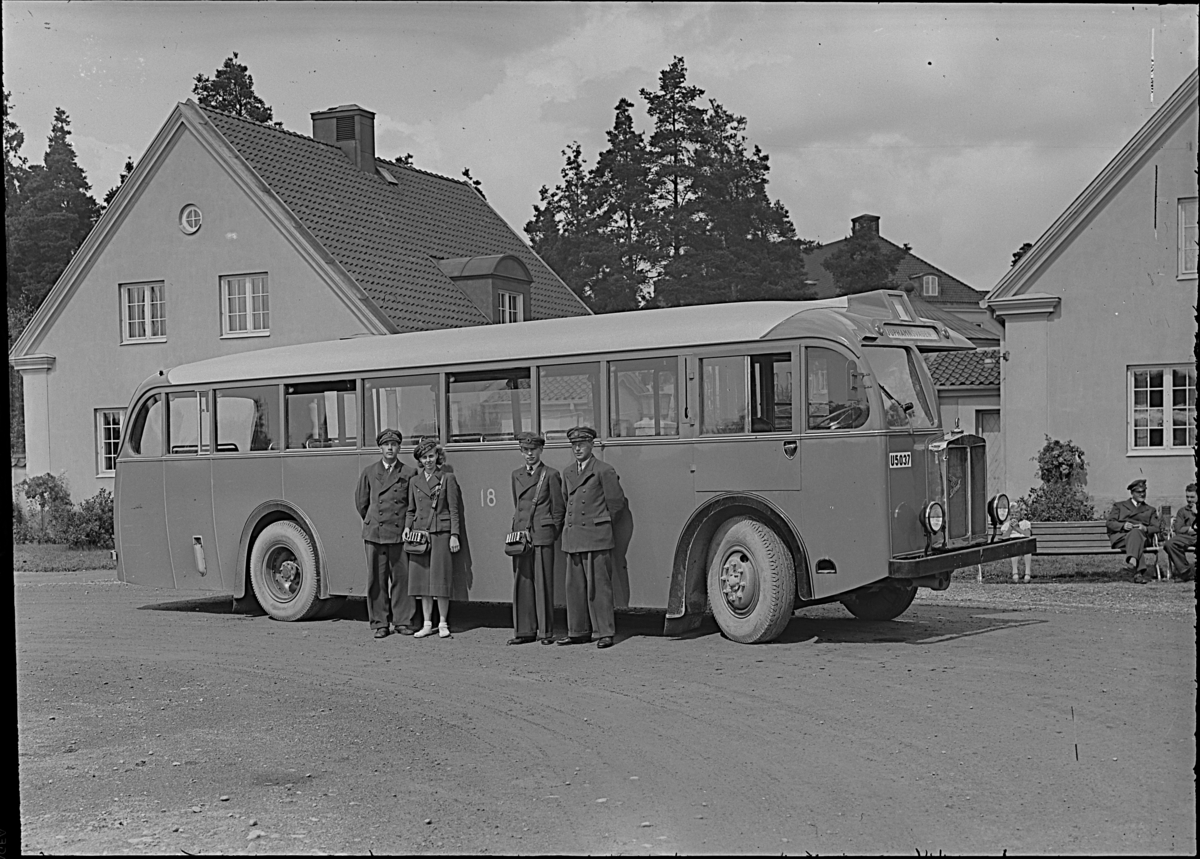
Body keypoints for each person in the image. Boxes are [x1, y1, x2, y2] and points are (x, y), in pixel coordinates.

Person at [558, 426, 626, 650]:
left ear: (591, 445)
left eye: (582, 444)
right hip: (573, 537)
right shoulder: (568, 472)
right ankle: (578, 632)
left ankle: (605, 632)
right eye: (574, 445)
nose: (577, 449)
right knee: (574, 588)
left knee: (599, 588)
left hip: (596, 537)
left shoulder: (604, 470)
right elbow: (566, 501)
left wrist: (601, 525)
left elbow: (616, 504)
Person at [354, 428, 419, 639]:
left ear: (399, 448)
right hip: (375, 533)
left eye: (394, 445)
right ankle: (380, 623)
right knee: (377, 580)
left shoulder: (409, 473)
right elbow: (361, 502)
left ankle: (403, 621)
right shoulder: (369, 472)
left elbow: (412, 505)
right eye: (386, 445)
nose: (390, 448)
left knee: (402, 579)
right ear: (380, 448)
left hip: (399, 533)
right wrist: (373, 520)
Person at [507, 432, 565, 645]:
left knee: (543, 585)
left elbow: (558, 510)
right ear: (521, 451)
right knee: (522, 583)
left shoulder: (550, 474)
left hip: (542, 535)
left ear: (541, 450)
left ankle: (545, 632)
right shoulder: (516, 475)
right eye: (525, 450)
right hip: (521, 537)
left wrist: (550, 532)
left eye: (533, 450)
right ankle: (524, 631)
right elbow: (518, 505)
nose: (529, 454)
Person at [405, 438, 462, 638]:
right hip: (421, 536)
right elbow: (411, 510)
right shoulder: (414, 481)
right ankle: (427, 623)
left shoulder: (447, 478)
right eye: (424, 457)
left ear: (437, 456)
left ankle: (443, 623)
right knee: (423, 583)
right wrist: (407, 528)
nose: (428, 460)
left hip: (441, 534)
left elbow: (454, 510)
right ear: (420, 460)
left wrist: (454, 535)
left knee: (440, 581)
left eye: (431, 456)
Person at [1105, 478, 1160, 584]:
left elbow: (1157, 527)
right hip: (1122, 538)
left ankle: (1133, 559)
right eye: (1139, 492)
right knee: (1136, 537)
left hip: (1142, 538)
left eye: (1144, 491)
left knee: (1136, 533)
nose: (1142, 494)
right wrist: (1123, 526)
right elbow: (1110, 523)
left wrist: (1145, 528)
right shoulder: (1119, 506)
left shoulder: (1150, 510)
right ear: (1132, 493)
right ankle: (1138, 572)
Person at [1164, 483, 1197, 582]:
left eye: (1192, 497)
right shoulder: (1182, 511)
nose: (1189, 500)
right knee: (1169, 544)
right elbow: (1178, 529)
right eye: (1187, 497)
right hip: (1188, 537)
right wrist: (1190, 529)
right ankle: (1185, 572)